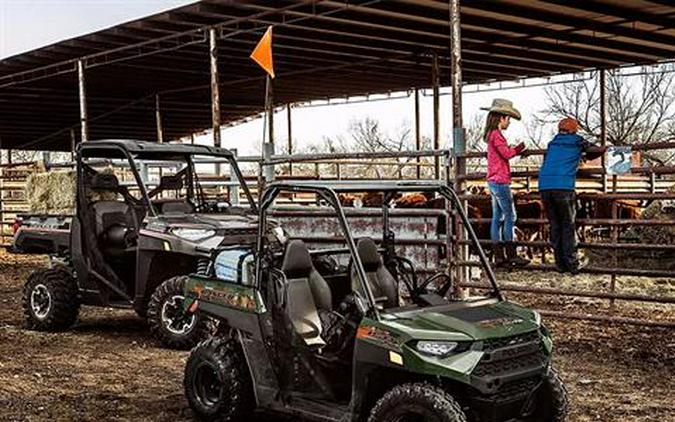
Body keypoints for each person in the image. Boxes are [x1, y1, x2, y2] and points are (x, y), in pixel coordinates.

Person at [538, 118, 606, 274]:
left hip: (544, 186)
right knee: (568, 225)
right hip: (563, 186)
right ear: (574, 130)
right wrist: (588, 155)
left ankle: (559, 263)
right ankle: (572, 263)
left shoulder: (552, 143)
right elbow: (597, 151)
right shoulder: (577, 141)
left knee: (555, 225)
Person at [482, 98, 530, 267]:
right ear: (501, 118)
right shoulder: (497, 135)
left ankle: (499, 255)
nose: (508, 121)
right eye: (507, 118)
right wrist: (518, 149)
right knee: (510, 215)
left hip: (493, 180)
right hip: (500, 180)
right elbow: (507, 154)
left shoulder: (491, 136)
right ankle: (511, 254)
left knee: (498, 217)